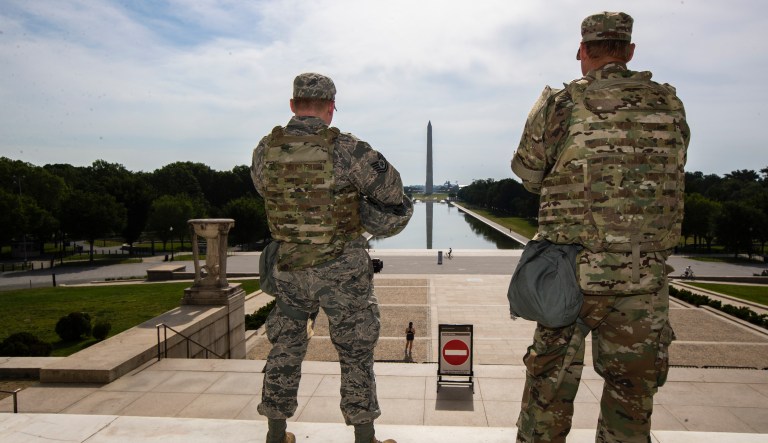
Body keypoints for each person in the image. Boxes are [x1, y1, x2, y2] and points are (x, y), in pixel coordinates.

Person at [510, 11, 690, 443]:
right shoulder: (669, 103)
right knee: (631, 400)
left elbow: (529, 173)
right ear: (629, 52)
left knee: (548, 394)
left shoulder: (562, 104)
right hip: (642, 278)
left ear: (582, 51)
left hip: (571, 273)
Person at [251, 73, 410, 443]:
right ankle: (364, 436)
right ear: (330, 108)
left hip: (290, 267)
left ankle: (276, 433)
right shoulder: (346, 149)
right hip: (342, 269)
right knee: (355, 352)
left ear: (293, 105)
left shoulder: (264, 149)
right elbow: (393, 190)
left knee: (285, 348)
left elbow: (264, 189)